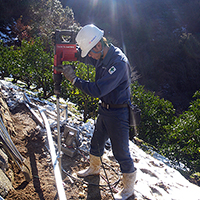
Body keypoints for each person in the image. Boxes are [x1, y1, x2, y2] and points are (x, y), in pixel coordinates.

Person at [55, 24, 137, 200]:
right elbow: (84, 57)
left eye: (90, 52)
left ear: (98, 46)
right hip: (105, 109)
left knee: (121, 152)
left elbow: (97, 90)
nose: (90, 57)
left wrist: (74, 79)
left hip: (118, 112)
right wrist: (66, 51)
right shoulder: (101, 55)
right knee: (96, 142)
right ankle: (94, 169)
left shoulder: (118, 64)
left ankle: (129, 189)